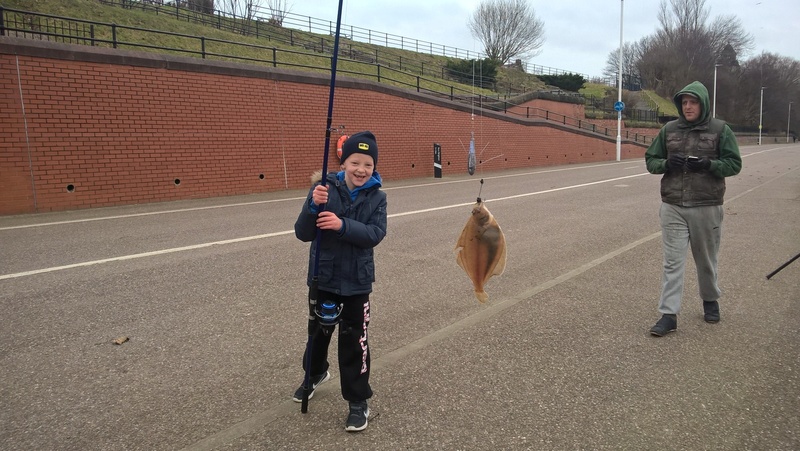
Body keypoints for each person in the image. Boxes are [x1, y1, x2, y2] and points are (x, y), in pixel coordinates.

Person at [292, 131, 387, 431]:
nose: (361, 169)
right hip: (324, 277)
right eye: (355, 162)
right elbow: (303, 232)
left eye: (368, 164)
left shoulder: (379, 197)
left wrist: (342, 225)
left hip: (357, 284)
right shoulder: (323, 189)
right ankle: (315, 372)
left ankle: (358, 401)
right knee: (317, 334)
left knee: (354, 341)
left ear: (374, 167)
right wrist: (312, 206)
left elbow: (375, 234)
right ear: (343, 162)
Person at [644, 81, 742, 337]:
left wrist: (710, 165)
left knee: (706, 260)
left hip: (706, 205)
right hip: (673, 204)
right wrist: (667, 162)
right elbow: (651, 161)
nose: (688, 107)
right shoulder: (669, 130)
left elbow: (734, 164)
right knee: (672, 262)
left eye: (693, 102)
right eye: (684, 102)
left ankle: (710, 300)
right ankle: (668, 314)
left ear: (703, 103)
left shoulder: (721, 130)